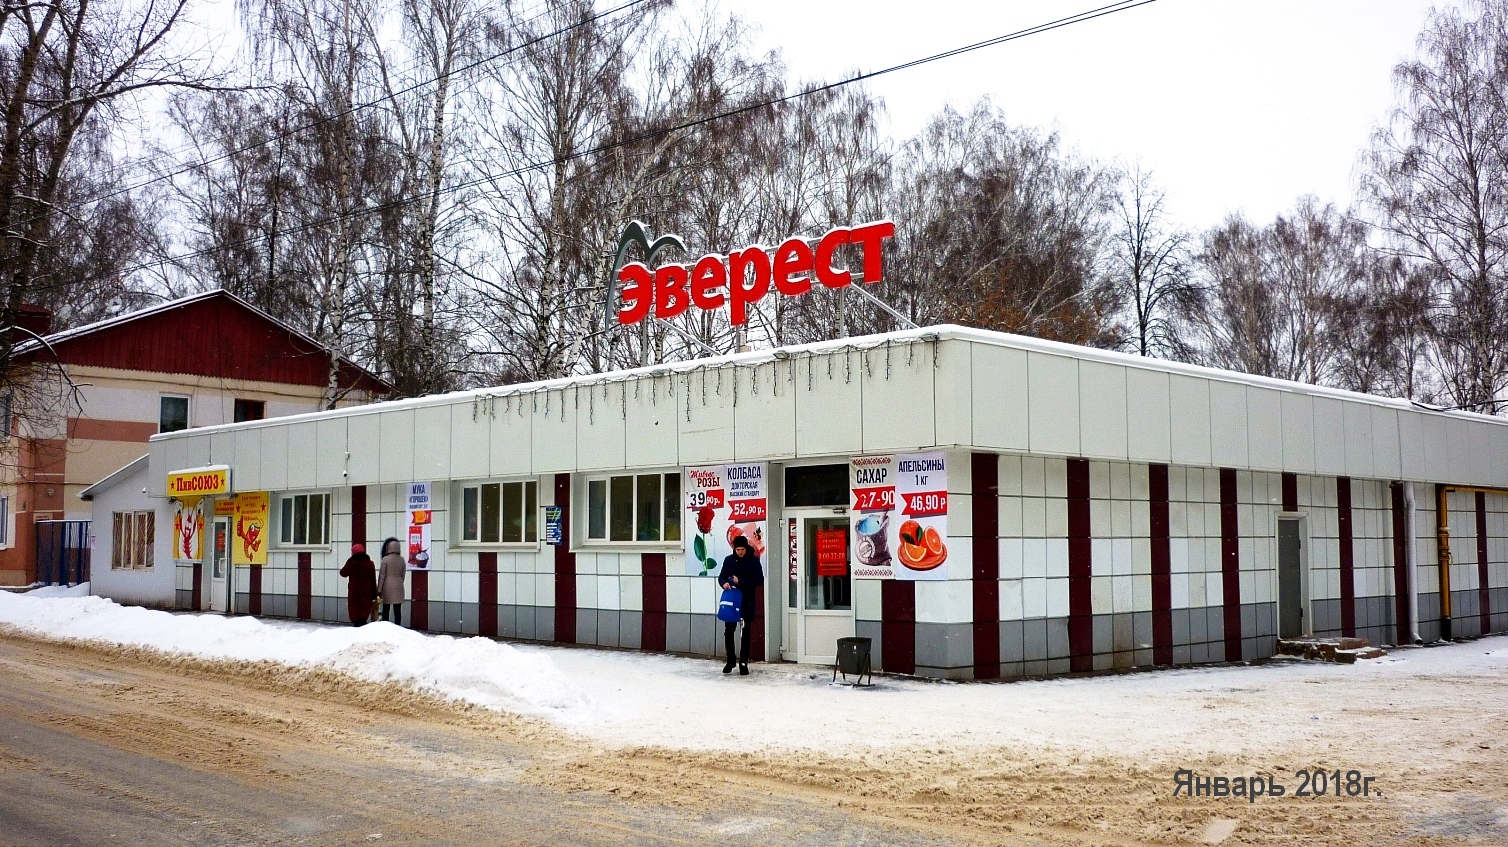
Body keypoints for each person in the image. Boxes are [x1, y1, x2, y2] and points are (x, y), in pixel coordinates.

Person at [718, 535, 764, 675]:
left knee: (745, 633)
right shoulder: (728, 560)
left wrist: (740, 581)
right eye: (737, 549)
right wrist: (724, 583)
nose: (740, 552)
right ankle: (730, 659)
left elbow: (759, 580)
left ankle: (743, 662)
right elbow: (722, 576)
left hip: (746, 601)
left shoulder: (753, 561)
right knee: (729, 631)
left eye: (742, 549)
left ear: (746, 548)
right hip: (731, 600)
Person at [339, 543, 377, 627]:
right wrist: (374, 594)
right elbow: (373, 579)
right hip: (366, 591)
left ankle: (357, 624)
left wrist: (349, 561)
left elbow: (343, 573)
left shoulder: (352, 563)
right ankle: (363, 623)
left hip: (354, 591)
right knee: (364, 610)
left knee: (355, 610)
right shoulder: (370, 563)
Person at [378, 537, 407, 626]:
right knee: (397, 610)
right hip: (399, 586)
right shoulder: (401, 559)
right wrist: (399, 582)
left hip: (387, 586)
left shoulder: (385, 559)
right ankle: (398, 626)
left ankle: (386, 626)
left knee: (386, 609)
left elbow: (382, 575)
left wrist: (379, 589)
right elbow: (403, 574)